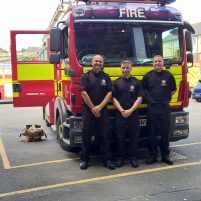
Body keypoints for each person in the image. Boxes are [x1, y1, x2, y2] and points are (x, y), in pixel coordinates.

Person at [79, 54, 115, 170]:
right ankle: (85, 160)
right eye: (96, 61)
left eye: (100, 61)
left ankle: (106, 160)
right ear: (92, 62)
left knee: (104, 135)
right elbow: (84, 93)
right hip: (88, 111)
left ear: (102, 64)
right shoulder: (85, 76)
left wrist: (99, 107)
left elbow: (109, 93)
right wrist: (94, 108)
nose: (98, 63)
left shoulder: (106, 77)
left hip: (102, 110)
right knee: (86, 135)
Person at [141, 55, 177, 165]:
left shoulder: (169, 75)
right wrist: (151, 99)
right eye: (155, 61)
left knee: (165, 132)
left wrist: (165, 99)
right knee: (152, 132)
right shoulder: (148, 76)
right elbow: (143, 91)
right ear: (153, 63)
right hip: (152, 108)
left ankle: (165, 155)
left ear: (163, 63)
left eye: (159, 61)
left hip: (165, 108)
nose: (157, 63)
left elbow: (173, 90)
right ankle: (152, 155)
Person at [112, 60, 142, 168]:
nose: (125, 70)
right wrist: (121, 110)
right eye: (123, 68)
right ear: (121, 69)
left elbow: (139, 99)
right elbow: (113, 98)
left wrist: (130, 111)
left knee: (134, 137)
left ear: (131, 68)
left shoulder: (137, 82)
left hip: (133, 114)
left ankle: (133, 158)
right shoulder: (116, 82)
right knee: (120, 137)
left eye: (127, 68)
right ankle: (120, 158)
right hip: (120, 114)